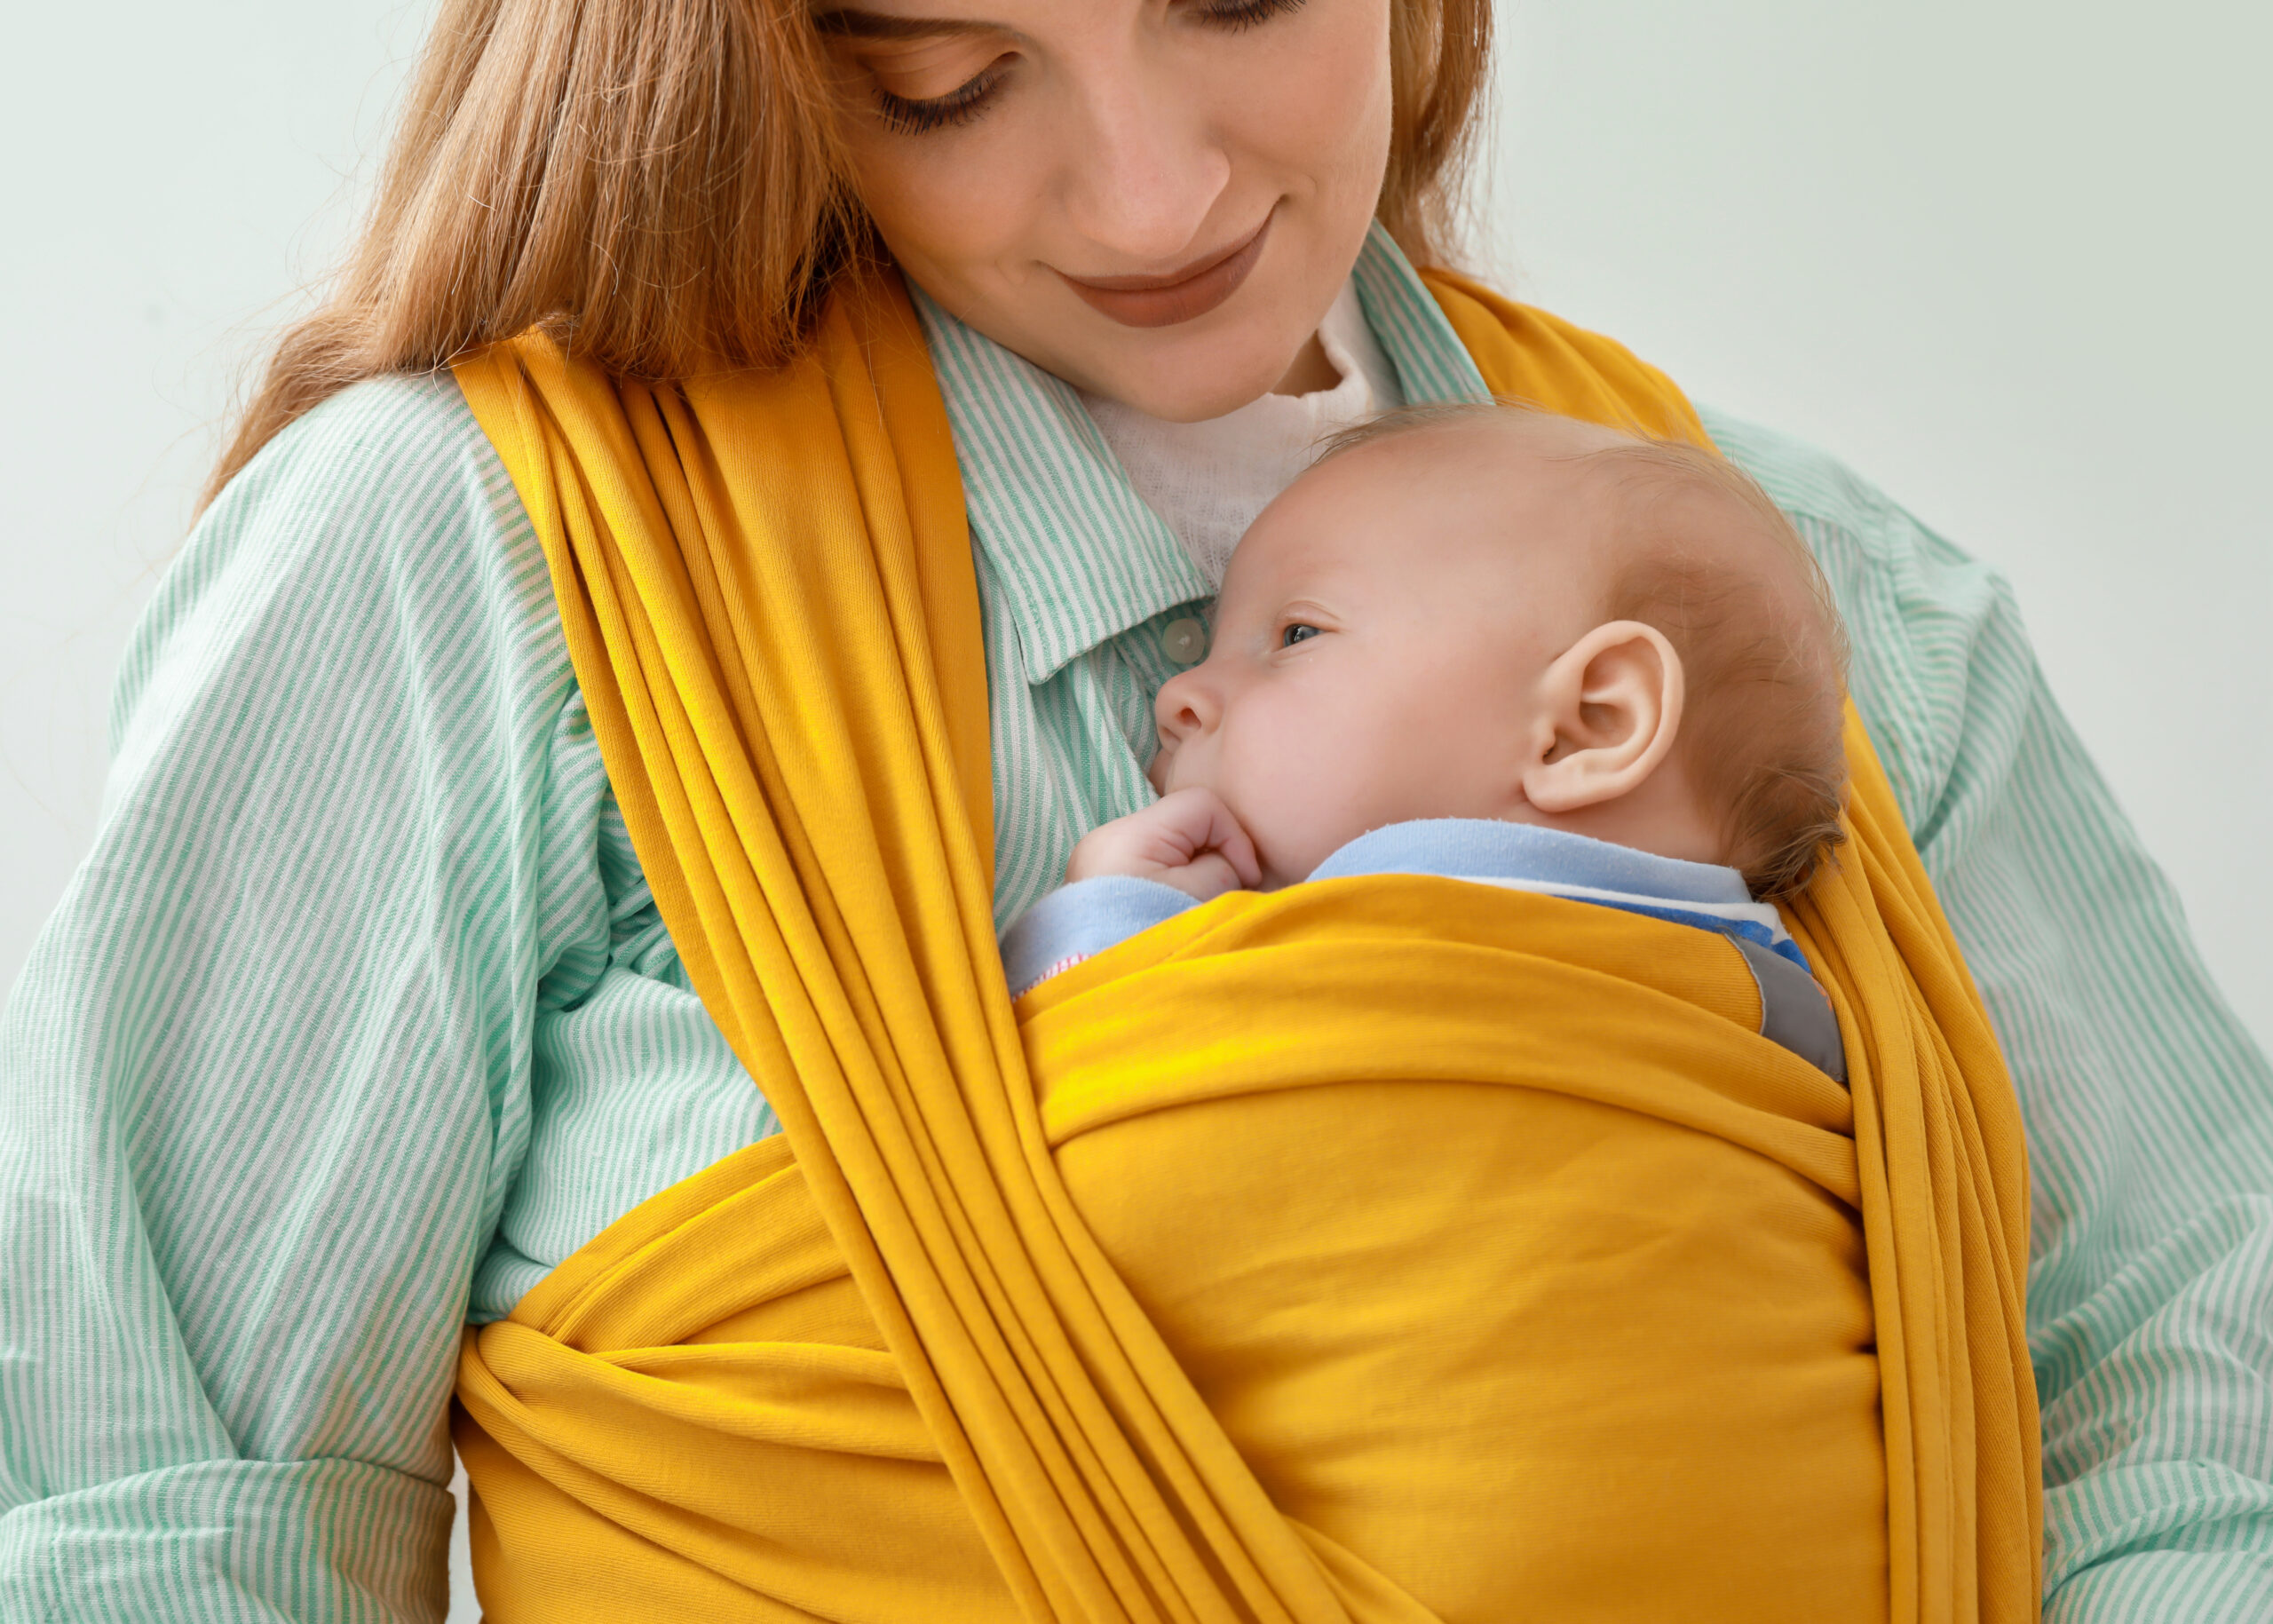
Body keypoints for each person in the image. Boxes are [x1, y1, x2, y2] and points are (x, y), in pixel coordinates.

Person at [0, 0, 2263, 1619]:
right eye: (948, 77)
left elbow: (2190, 1407)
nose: (1154, 185)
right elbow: (159, 1509)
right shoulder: (474, 562)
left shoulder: (1815, 594)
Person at [1003, 404, 1848, 1088]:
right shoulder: (1793, 1021)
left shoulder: (1361, 950)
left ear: (1590, 723)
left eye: (1298, 632)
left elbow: (1103, 1086)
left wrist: (1111, 921)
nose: (1176, 696)